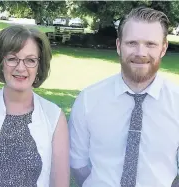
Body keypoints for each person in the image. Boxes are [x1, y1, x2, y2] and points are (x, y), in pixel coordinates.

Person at [69, 6, 179, 187]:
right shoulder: (89, 99)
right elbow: (78, 162)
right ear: (119, 46)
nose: (140, 53)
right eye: (132, 43)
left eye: (150, 44)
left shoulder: (177, 103)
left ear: (164, 48)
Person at [0, 25, 70, 187]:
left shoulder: (54, 117)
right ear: (1, 62)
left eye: (30, 60)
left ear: (39, 66)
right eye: (12, 58)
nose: (20, 68)